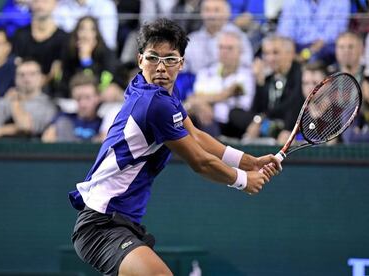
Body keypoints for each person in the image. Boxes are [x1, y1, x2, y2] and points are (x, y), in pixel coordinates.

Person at [69, 18, 282, 276]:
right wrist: (242, 180)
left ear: (181, 63)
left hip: (119, 222)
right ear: (140, 60)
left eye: (170, 59)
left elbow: (196, 135)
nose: (161, 67)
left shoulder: (159, 92)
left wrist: (250, 161)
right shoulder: (154, 104)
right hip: (101, 225)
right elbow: (199, 161)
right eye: (153, 58)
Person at [185, 30, 255, 138]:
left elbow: (236, 93)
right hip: (208, 121)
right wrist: (200, 104)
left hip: (233, 124)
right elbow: (196, 97)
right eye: (221, 47)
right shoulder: (206, 72)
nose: (224, 51)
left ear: (240, 52)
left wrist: (200, 100)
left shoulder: (247, 75)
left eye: (229, 48)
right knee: (197, 117)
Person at [0, 59, 57, 141]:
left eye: (32, 74)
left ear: (41, 78)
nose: (26, 78)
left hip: (30, 151)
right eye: (21, 75)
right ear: (15, 79)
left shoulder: (48, 104)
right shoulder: (1, 102)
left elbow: (25, 126)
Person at [42, 72, 117, 143]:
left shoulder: (104, 124)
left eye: (87, 98)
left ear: (97, 97)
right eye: (78, 98)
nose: (83, 104)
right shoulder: (63, 118)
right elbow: (47, 141)